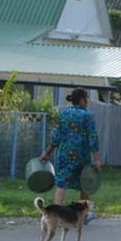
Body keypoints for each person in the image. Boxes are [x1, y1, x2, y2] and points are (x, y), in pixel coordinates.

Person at [40, 88, 101, 223]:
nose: (87, 102)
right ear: (82, 100)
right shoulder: (87, 116)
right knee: (84, 183)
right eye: (87, 99)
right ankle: (83, 215)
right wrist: (96, 159)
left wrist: (46, 153)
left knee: (61, 182)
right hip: (81, 155)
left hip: (63, 155)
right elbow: (92, 137)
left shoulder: (63, 114)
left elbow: (56, 137)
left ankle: (54, 216)